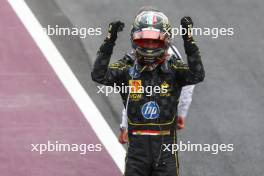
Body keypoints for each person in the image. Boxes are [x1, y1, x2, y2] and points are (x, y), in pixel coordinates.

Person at [91, 7, 205, 176]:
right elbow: (99, 75)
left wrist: (189, 42)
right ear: (134, 40)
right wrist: (109, 41)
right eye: (144, 41)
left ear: (166, 41)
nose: (150, 46)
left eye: (154, 41)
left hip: (166, 150)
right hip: (137, 152)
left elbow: (197, 75)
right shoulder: (127, 66)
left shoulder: (173, 67)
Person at [119, 46, 195, 144]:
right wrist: (181, 113)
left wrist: (125, 126)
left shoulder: (136, 57)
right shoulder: (172, 55)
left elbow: (132, 96)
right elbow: (188, 82)